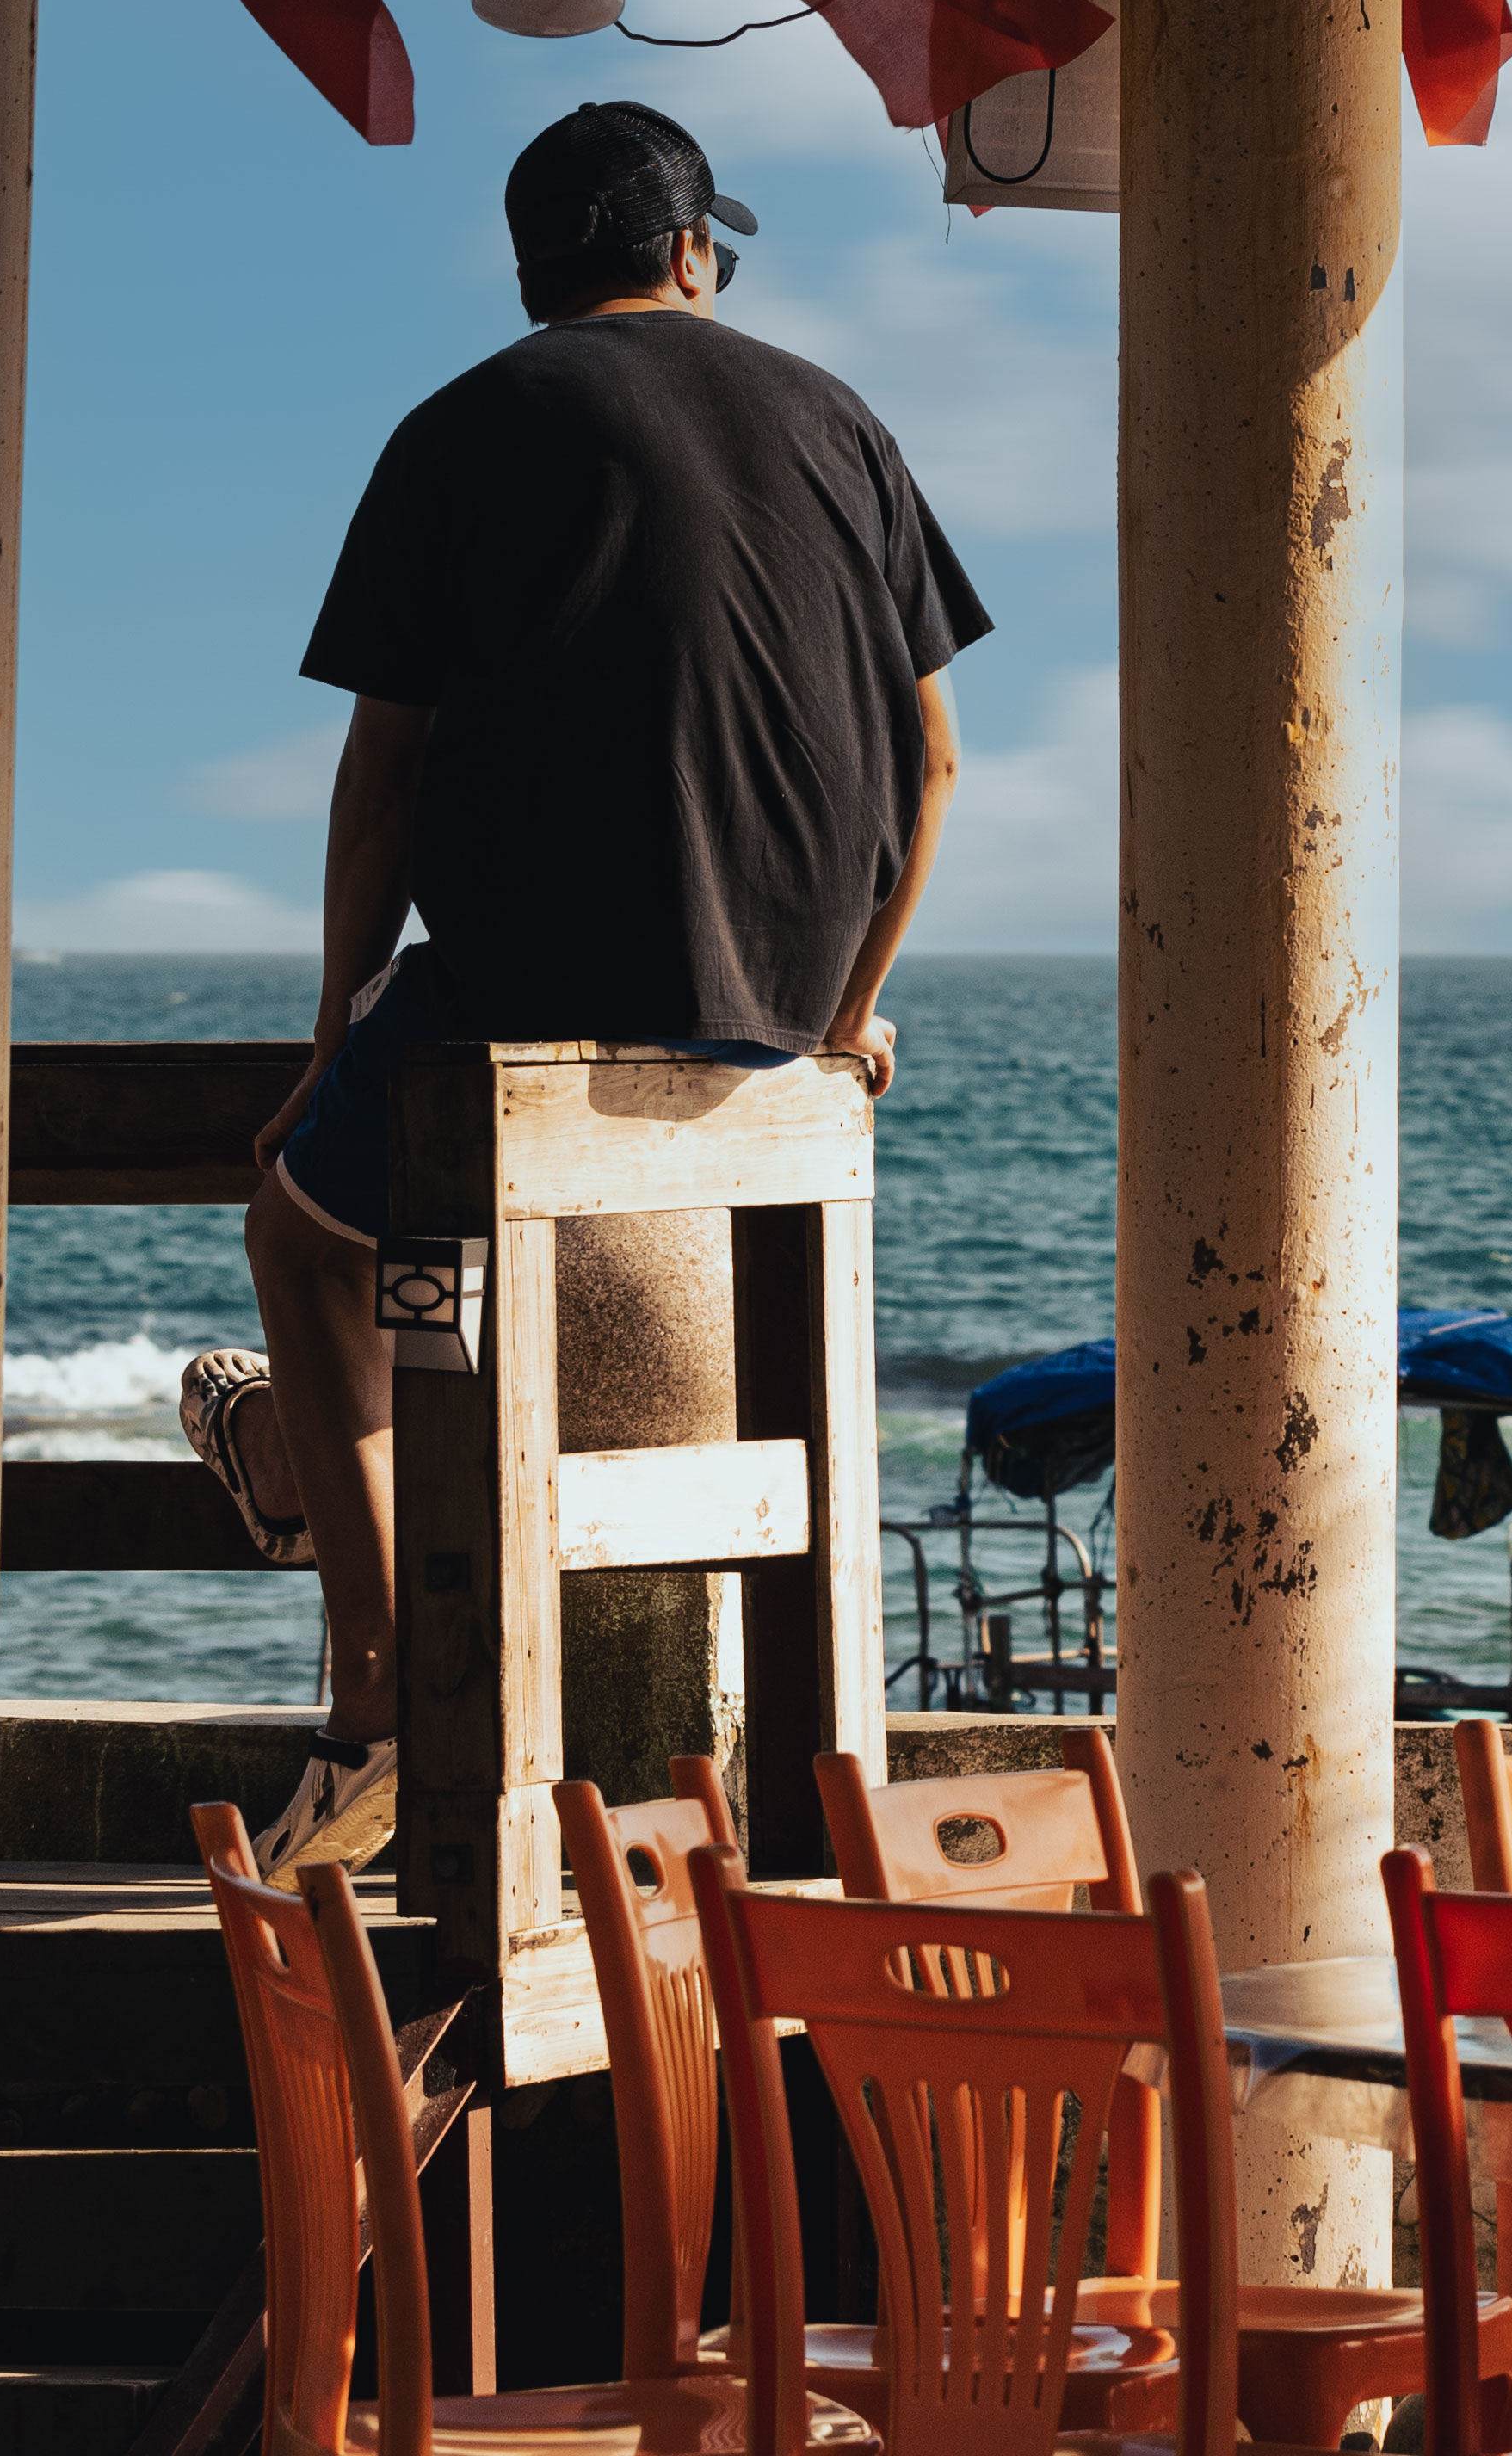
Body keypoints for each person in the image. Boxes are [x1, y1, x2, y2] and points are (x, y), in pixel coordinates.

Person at [182, 101, 984, 1883]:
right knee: (419, 1275)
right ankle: (298, 1463)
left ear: (536, 271)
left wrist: (334, 1030)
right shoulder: (845, 421)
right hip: (784, 1026)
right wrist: (850, 1000)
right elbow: (933, 757)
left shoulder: (462, 424)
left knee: (306, 1238)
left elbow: (381, 775)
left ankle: (373, 1694)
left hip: (531, 1006)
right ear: (694, 250)